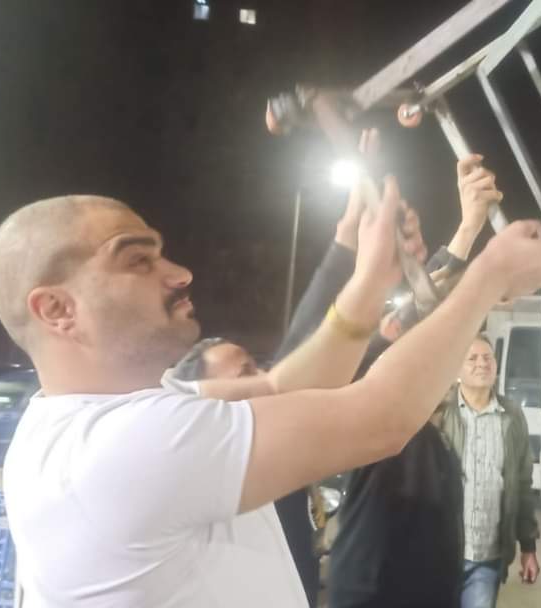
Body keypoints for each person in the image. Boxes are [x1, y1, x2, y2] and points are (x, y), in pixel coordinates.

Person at [0, 175, 541, 606]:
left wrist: (370, 279)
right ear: (56, 309)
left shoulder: (112, 418)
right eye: (137, 260)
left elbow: (285, 384)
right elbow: (380, 418)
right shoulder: (118, 448)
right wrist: (488, 279)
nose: (179, 273)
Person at [163, 155, 428, 606]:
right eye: (244, 375)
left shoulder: (255, 462)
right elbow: (303, 372)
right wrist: (486, 275)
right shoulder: (196, 461)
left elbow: (284, 378)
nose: (263, 377)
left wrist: (355, 245)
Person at [326, 153, 503, 608]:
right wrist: (472, 242)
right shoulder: (379, 428)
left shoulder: (429, 442)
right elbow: (420, 311)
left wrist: (470, 228)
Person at [436, 335, 541, 608]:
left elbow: (522, 484)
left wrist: (528, 546)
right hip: (439, 553)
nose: (482, 364)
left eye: (487, 358)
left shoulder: (512, 416)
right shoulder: (441, 414)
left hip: (487, 556)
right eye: (472, 358)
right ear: (457, 369)